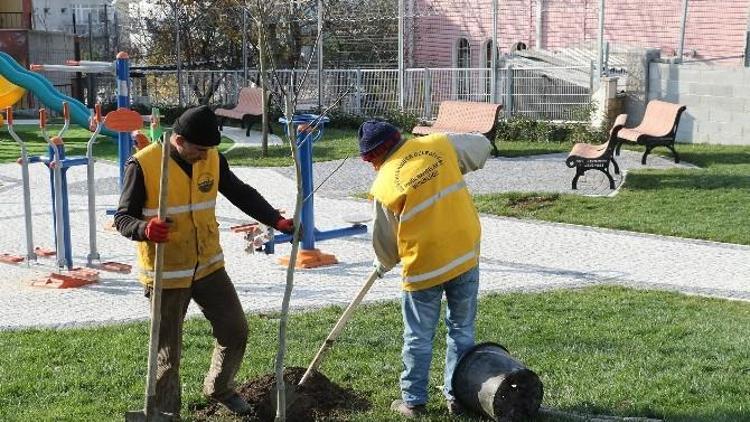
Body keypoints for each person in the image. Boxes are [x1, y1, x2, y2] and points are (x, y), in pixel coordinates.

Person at [115, 105, 294, 418]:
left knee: (235, 330)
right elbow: (122, 218)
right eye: (199, 149)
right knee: (167, 353)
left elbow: (240, 192)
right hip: (166, 273)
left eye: (209, 149)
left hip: (208, 265)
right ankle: (167, 413)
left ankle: (219, 388)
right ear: (179, 141)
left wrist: (275, 220)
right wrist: (144, 229)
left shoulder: (211, 157)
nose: (204, 155)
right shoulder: (143, 165)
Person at [358, 120, 491, 418]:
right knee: (462, 330)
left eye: (370, 161)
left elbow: (385, 245)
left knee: (418, 336)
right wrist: (449, 166)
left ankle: (413, 402)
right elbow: (481, 146)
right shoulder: (438, 144)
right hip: (463, 253)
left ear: (374, 157)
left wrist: (384, 263)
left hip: (423, 267)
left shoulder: (384, 184)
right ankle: (457, 397)